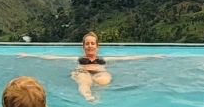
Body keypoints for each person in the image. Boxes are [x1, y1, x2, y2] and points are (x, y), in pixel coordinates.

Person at [17, 32, 163, 101]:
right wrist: (28, 55)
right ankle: (88, 96)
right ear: (83, 46)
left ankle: (98, 96)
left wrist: (152, 56)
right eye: (87, 43)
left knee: (104, 79)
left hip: (99, 73)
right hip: (82, 72)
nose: (90, 46)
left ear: (97, 46)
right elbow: (52, 57)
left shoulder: (104, 60)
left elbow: (128, 58)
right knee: (84, 80)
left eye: (92, 43)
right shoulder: (79, 60)